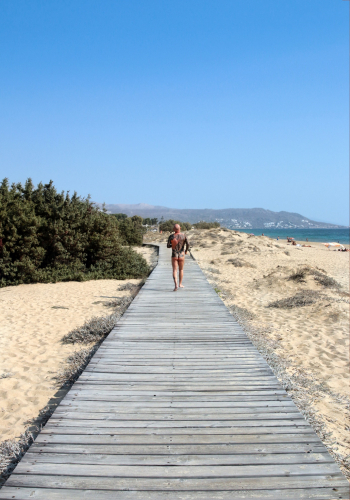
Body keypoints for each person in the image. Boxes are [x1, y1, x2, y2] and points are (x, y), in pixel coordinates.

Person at [167, 224, 189, 291]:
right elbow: (188, 244)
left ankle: (176, 285)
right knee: (181, 270)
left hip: (174, 254)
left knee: (175, 270)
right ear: (180, 228)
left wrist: (173, 244)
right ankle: (180, 284)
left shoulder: (171, 236)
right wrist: (186, 250)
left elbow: (168, 246)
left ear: (174, 229)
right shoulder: (184, 236)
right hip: (181, 254)